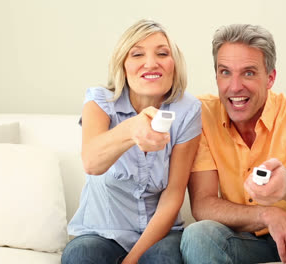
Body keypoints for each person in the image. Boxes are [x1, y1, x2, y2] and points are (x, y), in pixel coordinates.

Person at [180, 24, 286, 264]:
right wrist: (268, 214)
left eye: (249, 73)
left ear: (270, 78)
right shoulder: (200, 115)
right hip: (240, 239)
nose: (235, 86)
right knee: (198, 235)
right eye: (225, 72)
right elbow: (203, 204)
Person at [61, 19, 201, 264]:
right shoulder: (100, 103)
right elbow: (92, 162)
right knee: (80, 255)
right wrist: (130, 130)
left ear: (174, 65)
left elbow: (173, 195)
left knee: (165, 260)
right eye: (137, 54)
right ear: (123, 66)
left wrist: (132, 259)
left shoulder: (187, 110)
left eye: (162, 53)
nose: (151, 62)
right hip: (100, 233)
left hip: (159, 235)